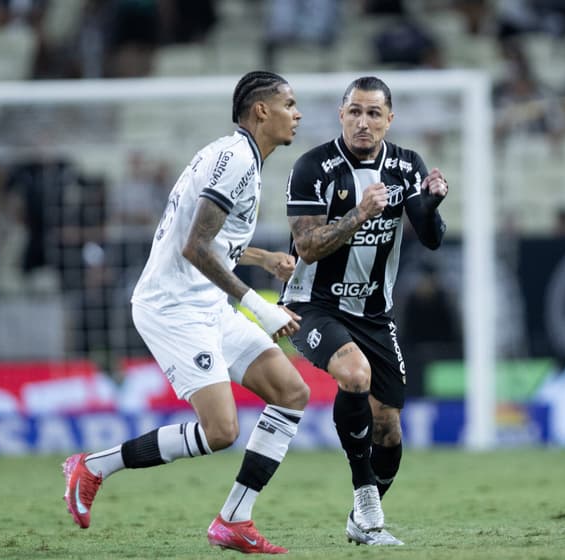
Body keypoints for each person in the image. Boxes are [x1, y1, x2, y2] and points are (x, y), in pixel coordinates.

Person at [62, 71, 308, 555]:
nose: (297, 113)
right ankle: (94, 467)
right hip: (173, 307)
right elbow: (196, 247)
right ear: (261, 110)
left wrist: (261, 258)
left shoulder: (239, 158)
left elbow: (203, 238)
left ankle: (234, 520)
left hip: (207, 302)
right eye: (289, 103)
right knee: (221, 431)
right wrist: (261, 308)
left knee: (291, 391)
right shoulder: (236, 159)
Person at [280, 76, 449, 546]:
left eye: (374, 113)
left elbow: (430, 237)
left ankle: (361, 516)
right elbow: (307, 248)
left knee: (389, 429)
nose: (363, 121)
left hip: (374, 312)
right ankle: (366, 500)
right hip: (313, 304)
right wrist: (359, 213)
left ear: (389, 120)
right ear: (341, 114)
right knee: (355, 376)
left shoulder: (405, 164)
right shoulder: (313, 167)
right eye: (354, 111)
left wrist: (432, 202)